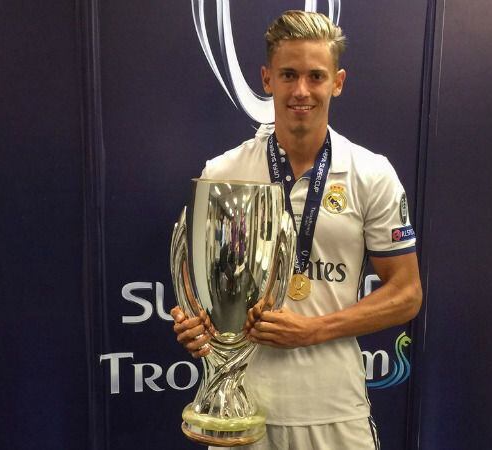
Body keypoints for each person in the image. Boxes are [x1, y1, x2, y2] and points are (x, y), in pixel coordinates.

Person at [171, 10, 422, 450]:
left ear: (337, 82)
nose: (301, 90)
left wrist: (314, 329)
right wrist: (194, 322)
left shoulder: (371, 174)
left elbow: (407, 294)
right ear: (267, 79)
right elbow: (205, 292)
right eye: (289, 75)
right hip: (239, 408)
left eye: (315, 76)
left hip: (333, 410)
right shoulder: (224, 171)